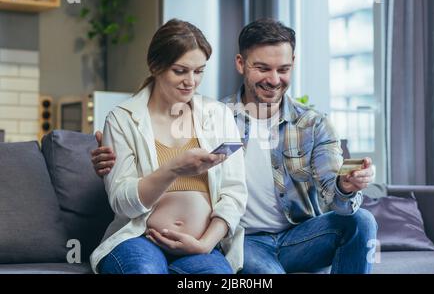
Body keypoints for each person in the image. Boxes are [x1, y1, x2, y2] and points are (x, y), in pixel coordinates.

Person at [92, 18, 377, 274]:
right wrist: (156, 166)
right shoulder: (220, 113)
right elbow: (125, 189)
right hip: (242, 239)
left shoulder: (312, 125)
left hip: (297, 236)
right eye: (263, 68)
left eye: (284, 69)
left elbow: (332, 191)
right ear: (241, 64)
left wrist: (346, 186)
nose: (274, 79)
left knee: (361, 221)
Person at [89, 19, 248, 274]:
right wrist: (173, 169)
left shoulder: (218, 115)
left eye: (199, 71)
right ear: (156, 66)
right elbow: (122, 203)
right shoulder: (122, 119)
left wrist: (204, 245)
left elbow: (234, 193)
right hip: (139, 239)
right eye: (180, 70)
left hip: (201, 245)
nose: (191, 81)